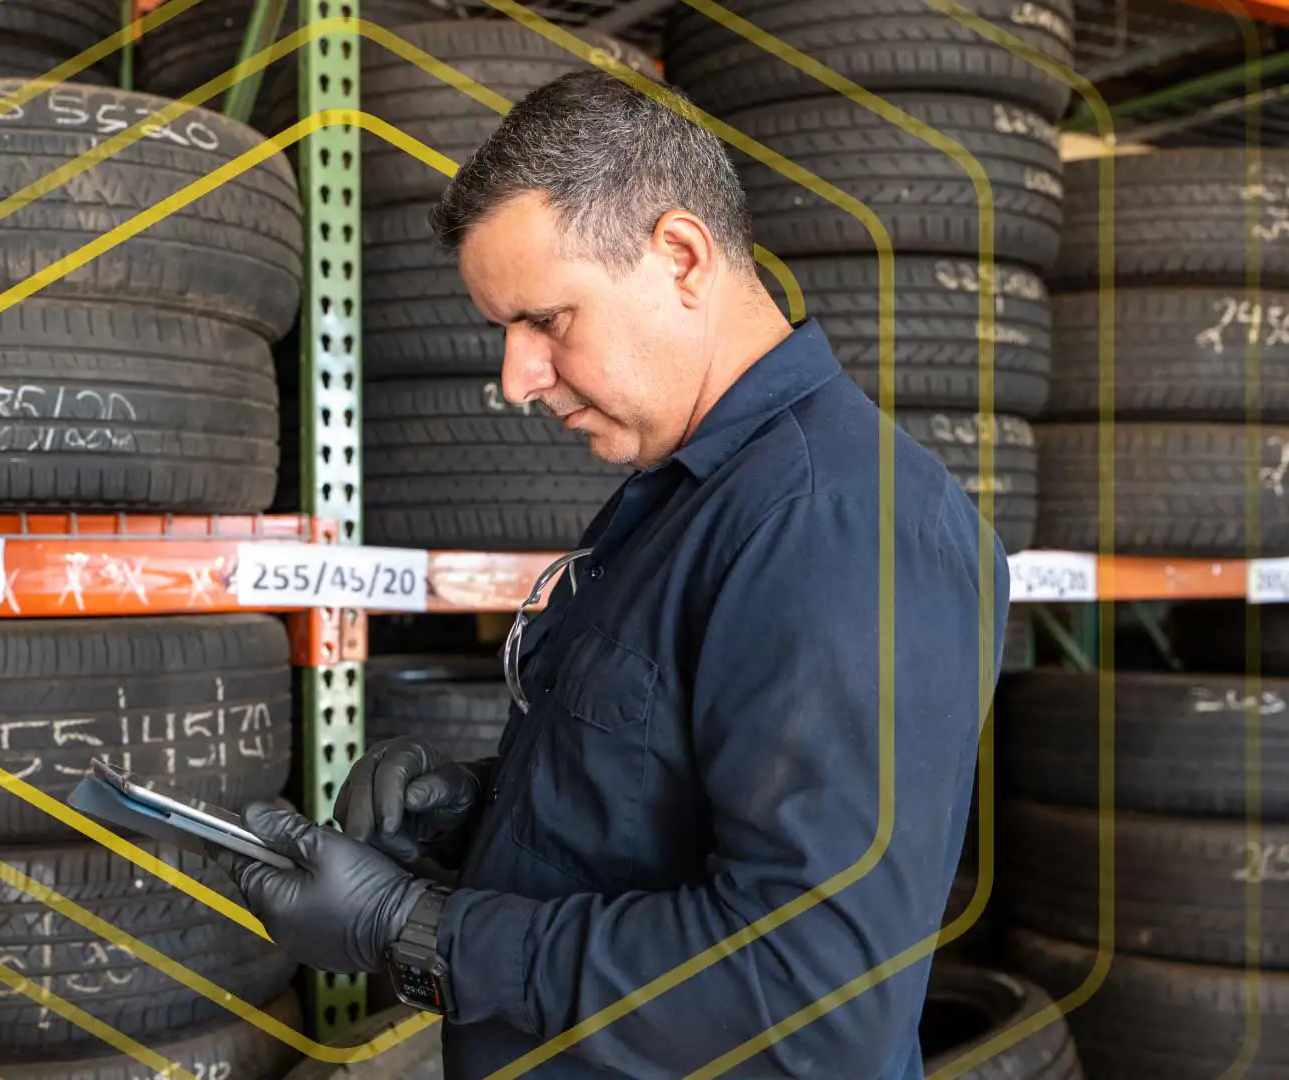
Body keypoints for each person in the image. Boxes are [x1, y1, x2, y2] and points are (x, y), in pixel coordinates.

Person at [224, 70, 1008, 1078]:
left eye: (545, 322)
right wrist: (482, 815)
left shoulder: (837, 527)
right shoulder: (685, 497)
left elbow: (814, 993)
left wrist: (419, 932)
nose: (515, 379)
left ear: (680, 256)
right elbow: (667, 798)